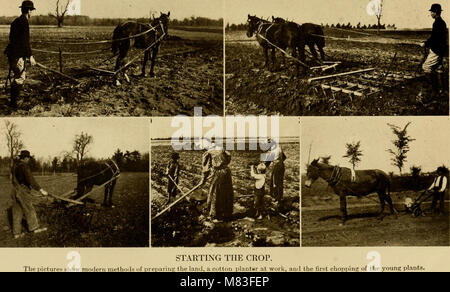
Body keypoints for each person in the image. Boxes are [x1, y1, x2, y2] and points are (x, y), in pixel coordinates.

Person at [4, 1, 37, 108]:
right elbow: (24, 41)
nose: (32, 13)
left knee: (17, 76)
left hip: (12, 54)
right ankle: (14, 103)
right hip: (17, 55)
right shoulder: (24, 22)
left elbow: (13, 39)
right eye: (31, 11)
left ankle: (13, 101)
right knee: (20, 78)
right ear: (28, 11)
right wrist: (30, 56)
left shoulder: (15, 21)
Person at [11, 150, 49, 239]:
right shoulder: (24, 166)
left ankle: (16, 233)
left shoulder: (15, 166)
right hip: (22, 191)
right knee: (29, 209)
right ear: (25, 158)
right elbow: (30, 179)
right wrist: (41, 190)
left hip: (14, 189)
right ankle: (34, 228)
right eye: (28, 158)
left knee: (17, 211)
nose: (28, 160)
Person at [198, 140, 234, 223]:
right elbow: (228, 157)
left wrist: (203, 180)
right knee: (226, 192)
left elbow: (205, 169)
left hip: (218, 174)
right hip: (226, 173)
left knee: (215, 192)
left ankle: (216, 216)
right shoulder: (221, 148)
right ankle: (226, 213)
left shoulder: (208, 153)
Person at [421, 3, 448, 97]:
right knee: (439, 69)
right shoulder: (442, 22)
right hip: (441, 50)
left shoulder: (437, 23)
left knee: (426, 67)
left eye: (432, 12)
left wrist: (425, 43)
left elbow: (434, 38)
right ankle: (442, 90)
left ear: (436, 12)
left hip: (436, 50)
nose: (431, 14)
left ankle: (433, 89)